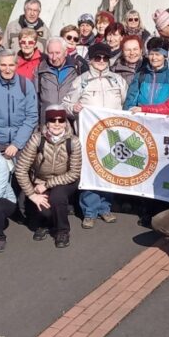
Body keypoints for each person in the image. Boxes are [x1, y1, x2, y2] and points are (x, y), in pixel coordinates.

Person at [62, 43, 128, 227]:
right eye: (97, 58)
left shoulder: (117, 80)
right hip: (89, 136)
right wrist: (73, 108)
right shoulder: (81, 81)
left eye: (104, 58)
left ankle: (105, 208)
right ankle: (89, 211)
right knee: (90, 173)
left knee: (108, 171)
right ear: (90, 59)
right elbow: (66, 103)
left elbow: (124, 103)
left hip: (112, 137)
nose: (100, 61)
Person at [14, 105, 82, 248]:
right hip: (39, 180)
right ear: (47, 122)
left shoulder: (74, 141)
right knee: (44, 210)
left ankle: (62, 230)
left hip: (65, 180)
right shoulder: (37, 139)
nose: (57, 124)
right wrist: (32, 195)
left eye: (60, 120)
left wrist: (47, 185)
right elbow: (20, 169)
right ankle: (46, 223)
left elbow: (74, 173)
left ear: (65, 122)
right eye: (52, 120)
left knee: (57, 197)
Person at [36, 37, 82, 124]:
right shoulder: (40, 69)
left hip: (69, 121)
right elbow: (35, 98)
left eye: (57, 53)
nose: (54, 57)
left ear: (65, 53)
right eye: (50, 53)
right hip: (47, 121)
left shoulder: (77, 68)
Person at [124, 37, 169, 108]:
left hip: (162, 116)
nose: (154, 58)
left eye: (157, 54)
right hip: (142, 116)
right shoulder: (141, 75)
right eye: (151, 54)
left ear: (165, 56)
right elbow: (131, 98)